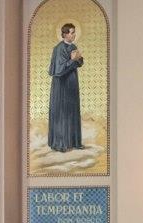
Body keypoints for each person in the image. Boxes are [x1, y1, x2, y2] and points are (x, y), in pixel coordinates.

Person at [48, 23, 84, 152]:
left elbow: (79, 62)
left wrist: (78, 59)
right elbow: (59, 69)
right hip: (61, 86)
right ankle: (61, 143)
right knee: (62, 113)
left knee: (72, 110)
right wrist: (73, 60)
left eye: (74, 32)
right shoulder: (58, 49)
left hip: (72, 83)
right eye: (71, 32)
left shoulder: (73, 46)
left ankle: (74, 142)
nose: (74, 35)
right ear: (64, 34)